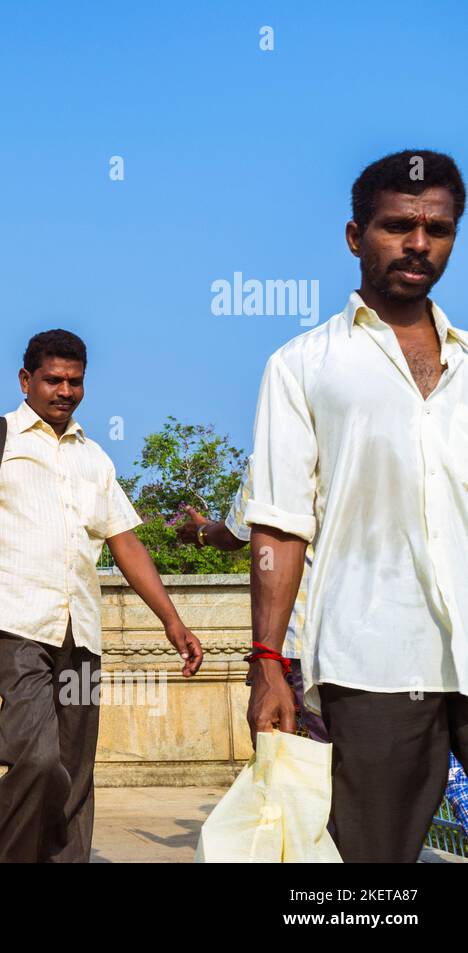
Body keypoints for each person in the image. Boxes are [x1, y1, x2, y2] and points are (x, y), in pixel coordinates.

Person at [245, 149, 468, 862]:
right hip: (373, 658)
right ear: (354, 235)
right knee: (373, 870)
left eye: (438, 229)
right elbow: (279, 523)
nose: (418, 244)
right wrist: (267, 663)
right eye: (398, 225)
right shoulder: (303, 366)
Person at [0, 330, 203, 863]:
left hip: (81, 632)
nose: (65, 391)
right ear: (26, 380)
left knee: (76, 773)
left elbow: (124, 541)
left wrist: (172, 620)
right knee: (35, 756)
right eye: (53, 380)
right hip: (15, 621)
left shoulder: (93, 457)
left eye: (75, 381)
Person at [173, 458, 328, 742]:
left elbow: (234, 535)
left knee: (304, 763)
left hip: (298, 644)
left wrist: (202, 533)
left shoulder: (276, 456)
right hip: (367, 645)